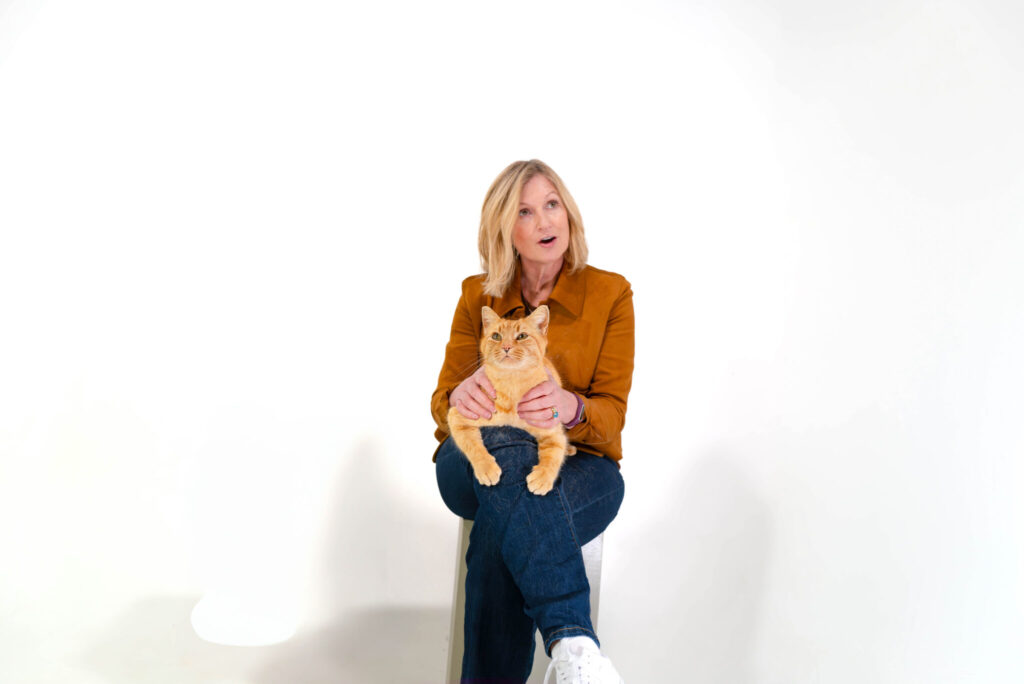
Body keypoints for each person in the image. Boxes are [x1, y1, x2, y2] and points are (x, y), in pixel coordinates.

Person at [432, 159, 634, 683]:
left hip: (578, 465)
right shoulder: (477, 295)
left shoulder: (611, 294)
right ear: (505, 229)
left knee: (502, 537)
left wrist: (572, 407)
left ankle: (570, 661)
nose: (546, 222)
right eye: (526, 211)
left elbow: (611, 416)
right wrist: (462, 392)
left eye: (552, 204)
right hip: (472, 460)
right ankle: (573, 644)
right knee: (508, 450)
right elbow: (441, 403)